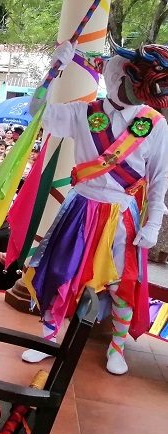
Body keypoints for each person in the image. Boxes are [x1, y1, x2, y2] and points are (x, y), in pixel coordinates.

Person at [21, 40, 168, 375]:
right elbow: (37, 111)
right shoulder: (83, 112)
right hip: (81, 207)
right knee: (60, 272)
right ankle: (48, 338)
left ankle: (118, 348)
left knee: (121, 284)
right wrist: (53, 72)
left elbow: (160, 177)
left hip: (122, 215)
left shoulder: (155, 124)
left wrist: (153, 223)